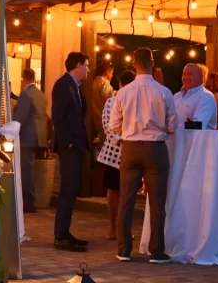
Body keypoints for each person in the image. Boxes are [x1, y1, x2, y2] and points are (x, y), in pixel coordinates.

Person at [109, 48, 176, 263]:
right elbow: (173, 125)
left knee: (126, 200)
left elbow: (113, 125)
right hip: (155, 148)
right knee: (157, 202)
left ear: (133, 63)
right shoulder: (164, 92)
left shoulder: (123, 92)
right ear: (152, 63)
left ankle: (123, 249)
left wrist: (128, 132)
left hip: (130, 147)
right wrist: (162, 130)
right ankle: (157, 251)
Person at [51, 52, 90, 252]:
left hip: (76, 145)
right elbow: (58, 116)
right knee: (68, 188)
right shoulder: (63, 85)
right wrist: (67, 143)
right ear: (77, 65)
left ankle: (65, 231)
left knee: (72, 188)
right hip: (70, 146)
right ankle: (61, 234)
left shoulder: (75, 86)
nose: (88, 70)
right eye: (86, 65)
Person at [98, 70, 137, 240]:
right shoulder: (111, 102)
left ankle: (125, 227)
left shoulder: (139, 102)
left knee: (129, 191)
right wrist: (123, 140)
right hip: (114, 153)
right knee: (114, 190)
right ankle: (113, 226)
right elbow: (108, 127)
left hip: (134, 151)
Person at [13, 68, 46, 213]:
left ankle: (28, 202)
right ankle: (30, 199)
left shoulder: (26, 94)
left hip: (27, 136)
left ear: (23, 78)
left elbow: (21, 117)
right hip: (39, 136)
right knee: (31, 169)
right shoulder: (40, 94)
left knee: (25, 170)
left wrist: (11, 129)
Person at [175, 63, 218, 130]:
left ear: (201, 77)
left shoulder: (206, 97)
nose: (186, 77)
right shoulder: (176, 96)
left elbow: (198, 125)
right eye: (184, 74)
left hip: (199, 140)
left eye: (190, 74)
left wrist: (174, 127)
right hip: (176, 140)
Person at [91, 61, 115, 143]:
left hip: (95, 120)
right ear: (108, 71)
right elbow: (108, 102)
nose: (112, 75)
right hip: (105, 122)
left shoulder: (93, 82)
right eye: (112, 73)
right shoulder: (104, 83)